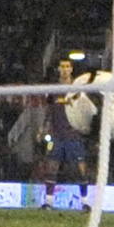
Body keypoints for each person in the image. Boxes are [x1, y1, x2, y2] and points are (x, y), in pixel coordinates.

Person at [38, 59, 90, 211]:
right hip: (55, 136)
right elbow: (49, 110)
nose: (65, 69)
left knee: (81, 170)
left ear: (72, 69)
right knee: (51, 167)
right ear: (58, 69)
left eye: (68, 66)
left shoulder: (78, 89)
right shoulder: (54, 89)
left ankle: (85, 202)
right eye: (62, 66)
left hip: (74, 135)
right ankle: (48, 202)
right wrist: (43, 128)